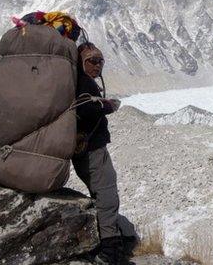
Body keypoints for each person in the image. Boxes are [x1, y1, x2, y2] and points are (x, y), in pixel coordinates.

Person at [72, 42, 126, 264]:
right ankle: (109, 251)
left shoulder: (79, 81)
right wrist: (108, 107)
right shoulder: (83, 83)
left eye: (100, 60)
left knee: (100, 192)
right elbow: (84, 109)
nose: (98, 65)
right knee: (107, 194)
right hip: (92, 149)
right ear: (81, 61)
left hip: (85, 149)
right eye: (92, 60)